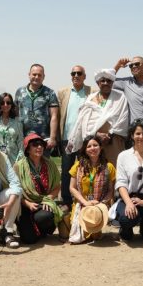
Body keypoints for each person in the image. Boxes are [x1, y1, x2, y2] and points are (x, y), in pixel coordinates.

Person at [66, 69, 130, 165]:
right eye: (102, 81)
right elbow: (84, 122)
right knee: (92, 169)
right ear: (97, 83)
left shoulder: (120, 97)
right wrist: (96, 134)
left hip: (113, 140)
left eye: (109, 81)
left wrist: (109, 135)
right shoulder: (91, 98)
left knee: (113, 170)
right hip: (93, 141)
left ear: (113, 83)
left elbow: (123, 120)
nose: (106, 83)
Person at [14, 134, 64, 244]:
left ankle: (41, 230)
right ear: (27, 149)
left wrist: (48, 199)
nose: (39, 147)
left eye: (41, 144)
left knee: (45, 216)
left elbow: (57, 186)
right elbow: (14, 191)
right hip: (24, 205)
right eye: (35, 145)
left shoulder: (50, 164)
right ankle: (28, 229)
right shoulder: (18, 166)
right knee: (29, 240)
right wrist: (27, 203)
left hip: (43, 203)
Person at [67, 135, 117, 243]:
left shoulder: (109, 167)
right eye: (89, 146)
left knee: (94, 232)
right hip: (82, 203)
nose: (92, 148)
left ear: (101, 147)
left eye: (95, 145)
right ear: (85, 150)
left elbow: (110, 191)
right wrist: (85, 202)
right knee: (82, 235)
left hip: (100, 204)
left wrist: (100, 204)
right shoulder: (77, 166)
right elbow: (72, 188)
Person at [57, 65, 91, 207]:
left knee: (86, 169)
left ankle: (85, 199)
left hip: (84, 139)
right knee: (66, 170)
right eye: (73, 73)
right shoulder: (63, 92)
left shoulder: (92, 92)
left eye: (79, 73)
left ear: (84, 76)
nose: (76, 75)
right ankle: (66, 200)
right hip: (67, 139)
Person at [14, 63, 59, 150]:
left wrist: (52, 138)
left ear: (43, 77)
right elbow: (15, 114)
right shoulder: (20, 92)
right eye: (34, 74)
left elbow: (54, 116)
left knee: (42, 159)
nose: (36, 77)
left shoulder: (50, 93)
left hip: (43, 140)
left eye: (39, 75)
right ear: (29, 75)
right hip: (23, 138)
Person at [0, 92, 24, 165]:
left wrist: (19, 160)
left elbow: (20, 142)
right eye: (2, 103)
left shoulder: (17, 123)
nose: (5, 105)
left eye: (8, 103)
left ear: (11, 104)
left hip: (13, 160)